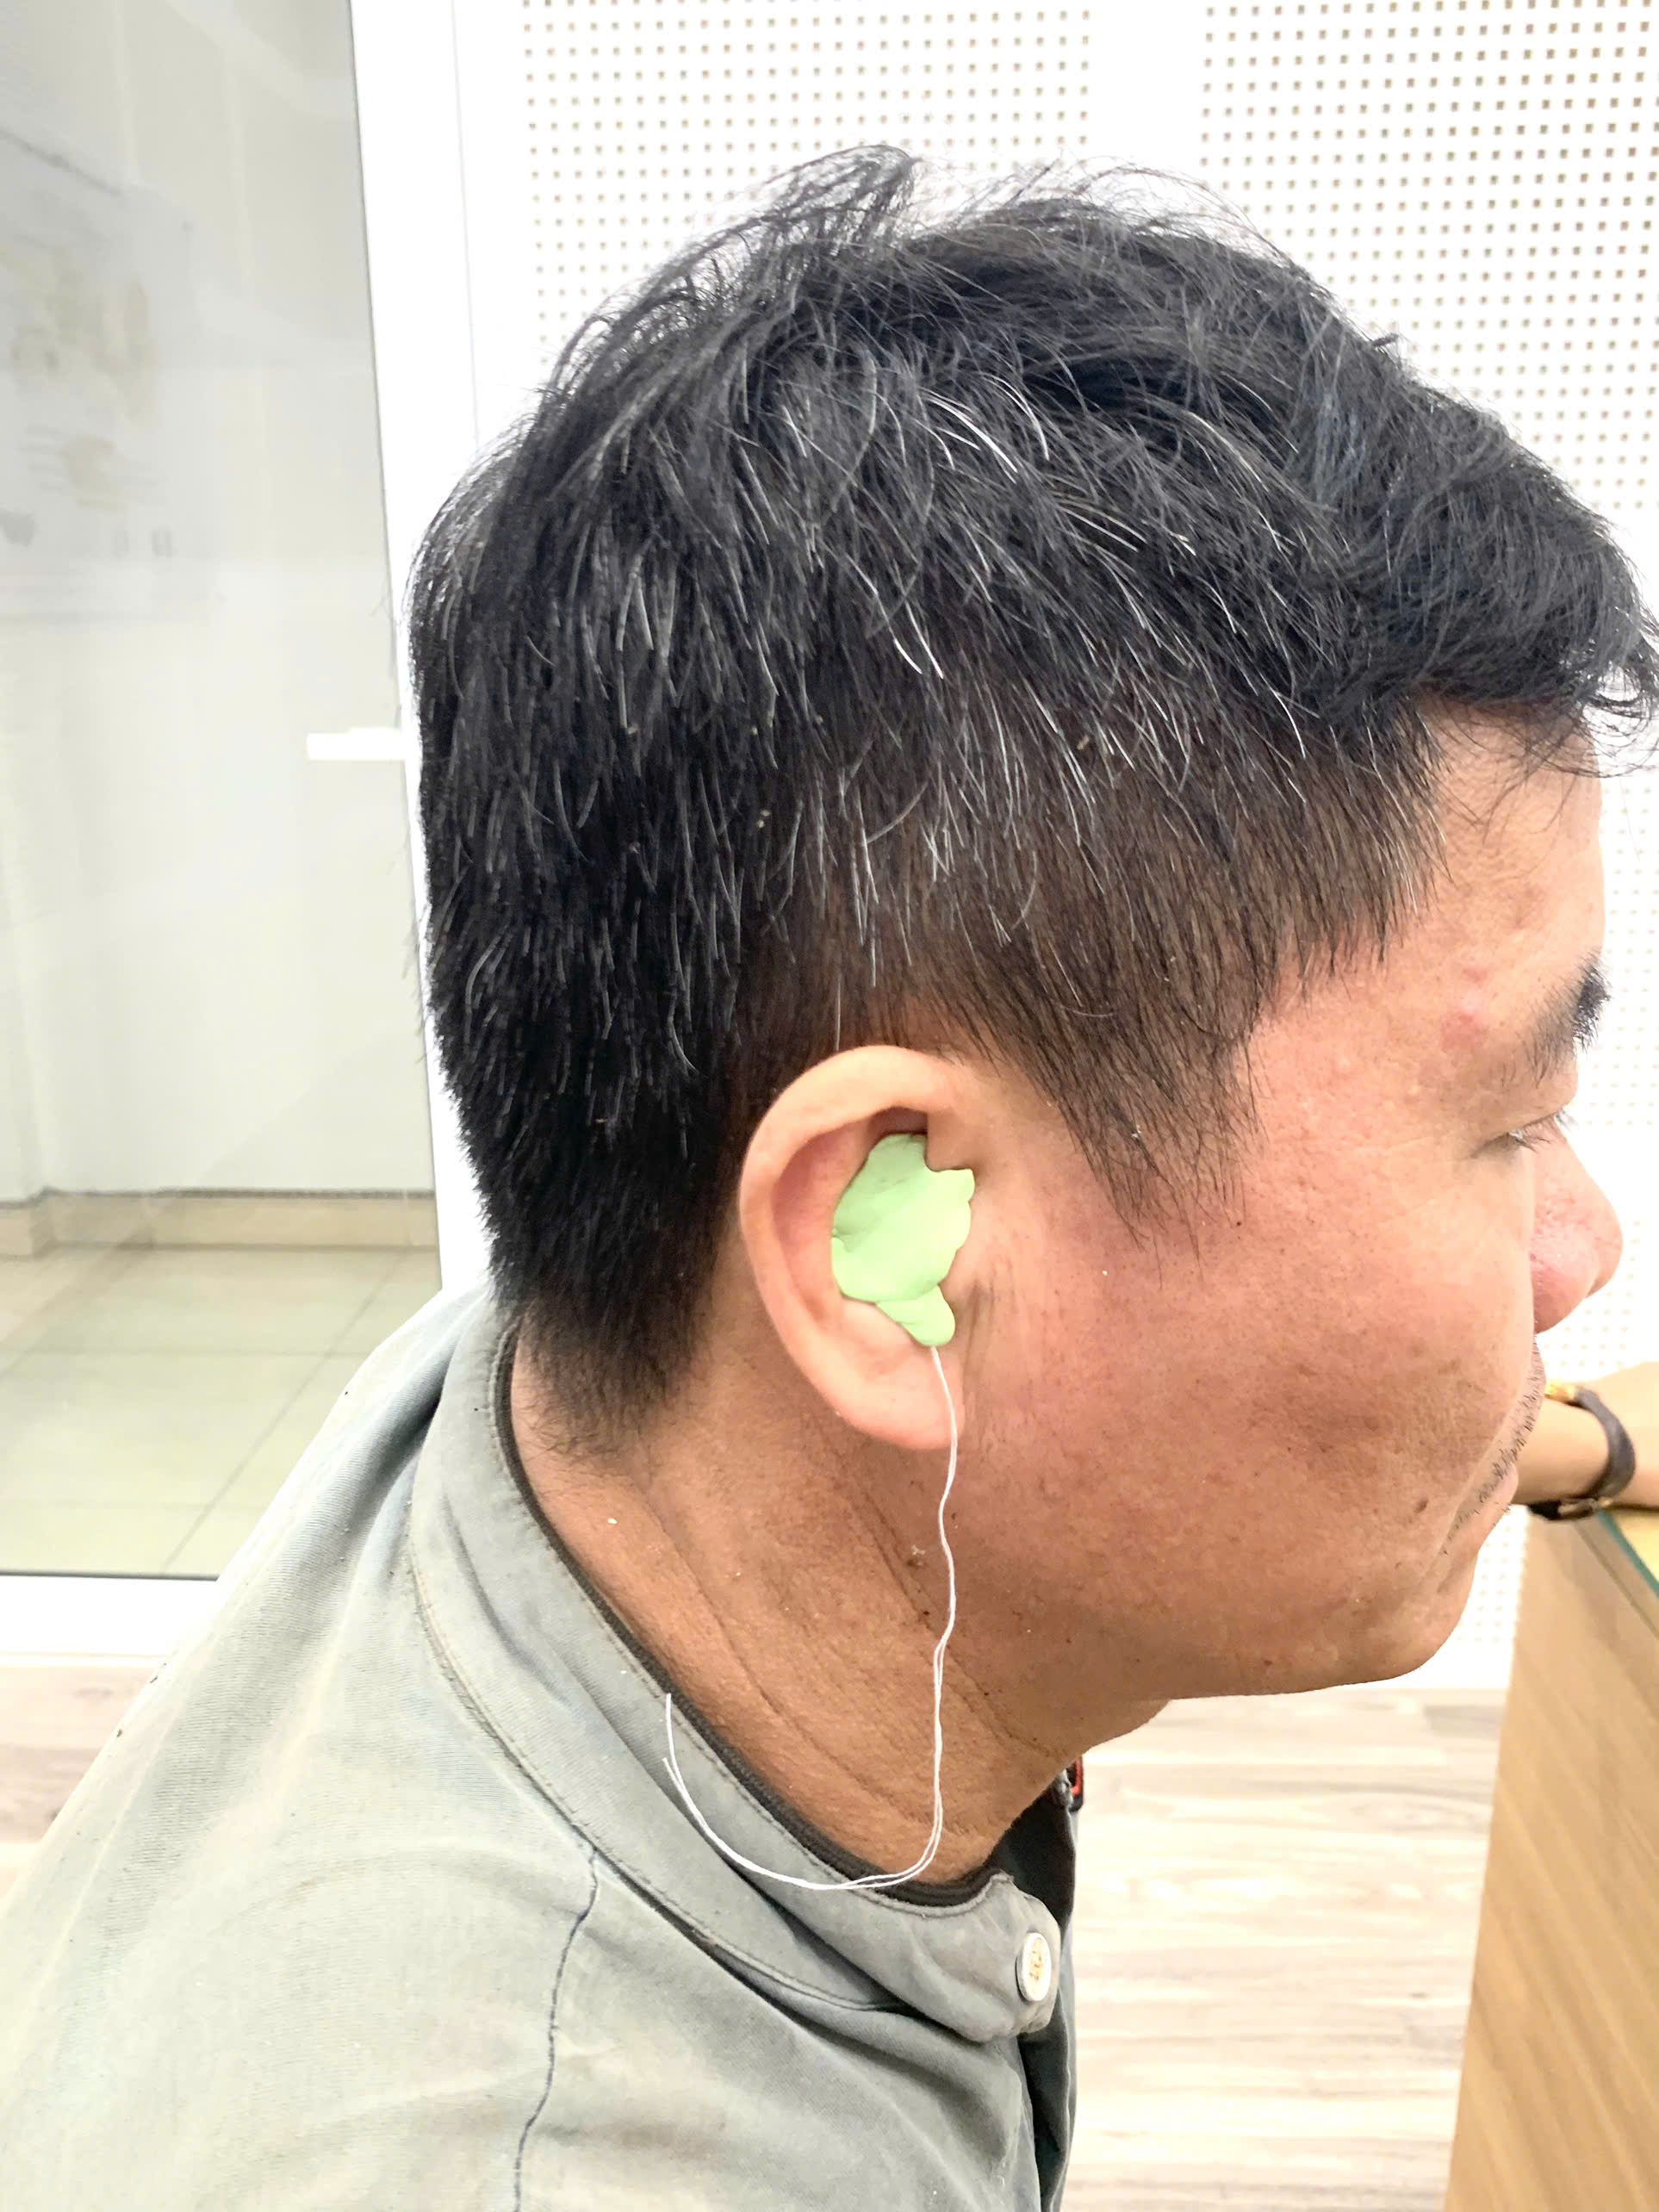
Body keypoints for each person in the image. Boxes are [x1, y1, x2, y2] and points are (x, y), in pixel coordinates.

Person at [2, 150, 1656, 2210]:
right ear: (896, 1253)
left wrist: (1588, 1447)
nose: (1582, 1245)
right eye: (1508, 1121)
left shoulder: (623, 1367)